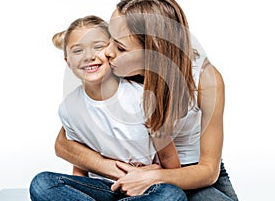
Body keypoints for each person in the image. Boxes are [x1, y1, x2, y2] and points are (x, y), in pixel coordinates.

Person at [54, 0, 239, 200]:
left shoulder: (205, 79)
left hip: (193, 173)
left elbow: (209, 170)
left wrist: (153, 177)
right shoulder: (115, 69)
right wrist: (121, 172)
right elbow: (64, 144)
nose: (107, 52)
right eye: (110, 40)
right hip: (135, 173)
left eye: (120, 47)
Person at [29, 15, 187, 201]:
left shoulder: (143, 97)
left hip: (144, 188)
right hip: (104, 188)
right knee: (42, 183)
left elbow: (170, 160)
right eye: (78, 50)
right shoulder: (69, 109)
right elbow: (79, 165)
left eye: (98, 47)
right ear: (67, 61)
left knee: (171, 195)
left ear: (112, 51)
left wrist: (154, 176)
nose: (89, 56)